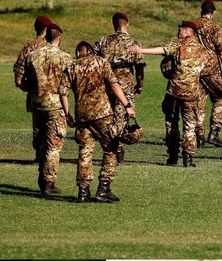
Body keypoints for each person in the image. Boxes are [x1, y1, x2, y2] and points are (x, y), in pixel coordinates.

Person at [60, 41, 136, 203]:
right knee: (111, 148)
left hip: (82, 116)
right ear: (92, 51)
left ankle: (83, 191)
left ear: (79, 53)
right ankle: (104, 188)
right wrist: (127, 105)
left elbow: (63, 93)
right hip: (102, 114)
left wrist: (67, 115)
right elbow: (114, 85)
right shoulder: (101, 62)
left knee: (85, 152)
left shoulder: (72, 67)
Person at [128, 21, 210, 167]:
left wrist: (141, 50)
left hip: (174, 91)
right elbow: (207, 72)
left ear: (187, 32)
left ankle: (172, 156)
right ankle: (188, 157)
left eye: (180, 30)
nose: (178, 32)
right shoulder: (203, 50)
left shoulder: (179, 44)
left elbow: (162, 50)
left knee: (171, 122)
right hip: (192, 93)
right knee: (189, 124)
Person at [23, 22, 73, 195]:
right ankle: (49, 181)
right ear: (59, 38)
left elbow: (24, 80)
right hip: (56, 105)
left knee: (41, 141)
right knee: (54, 144)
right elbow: (70, 83)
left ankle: (41, 175)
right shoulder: (66, 58)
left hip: (37, 103)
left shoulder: (32, 56)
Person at [92, 11, 145, 163]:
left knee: (107, 116)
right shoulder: (134, 43)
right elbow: (140, 67)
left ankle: (109, 146)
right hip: (126, 86)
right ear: (127, 24)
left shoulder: (103, 41)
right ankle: (118, 147)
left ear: (114, 24)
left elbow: (92, 61)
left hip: (106, 85)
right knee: (121, 116)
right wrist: (140, 84)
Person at [12, 15, 52, 164]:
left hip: (35, 93)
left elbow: (18, 77)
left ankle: (39, 155)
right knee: (52, 125)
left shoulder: (28, 48)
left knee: (38, 126)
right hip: (54, 94)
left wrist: (28, 89)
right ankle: (50, 155)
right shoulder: (53, 46)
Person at [196, 0, 222, 147]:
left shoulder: (192, 26)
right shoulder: (215, 28)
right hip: (212, 70)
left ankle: (198, 136)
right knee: (219, 97)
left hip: (195, 69)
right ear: (213, 12)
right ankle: (214, 132)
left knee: (199, 101)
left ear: (201, 11)